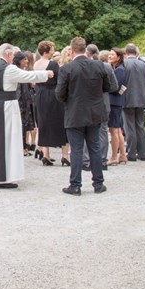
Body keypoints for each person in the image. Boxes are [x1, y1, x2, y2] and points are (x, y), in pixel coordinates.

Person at [0, 44, 52, 188]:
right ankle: (5, 176)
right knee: (9, 141)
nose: (13, 58)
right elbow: (27, 76)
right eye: (13, 55)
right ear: (8, 54)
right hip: (7, 107)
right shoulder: (9, 69)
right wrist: (47, 74)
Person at [56, 37, 113, 196]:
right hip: (95, 112)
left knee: (76, 150)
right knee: (94, 147)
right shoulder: (98, 65)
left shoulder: (67, 69)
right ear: (85, 49)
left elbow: (59, 94)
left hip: (75, 113)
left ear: (72, 50)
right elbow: (107, 87)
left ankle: (75, 184)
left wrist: (69, 100)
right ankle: (98, 183)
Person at [33, 42, 68, 166]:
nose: (53, 51)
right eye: (52, 49)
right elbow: (60, 80)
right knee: (61, 122)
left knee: (44, 122)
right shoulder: (53, 64)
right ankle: (65, 155)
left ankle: (46, 154)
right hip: (53, 95)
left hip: (40, 94)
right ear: (47, 51)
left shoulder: (36, 64)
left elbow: (34, 81)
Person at [121, 44, 145, 161]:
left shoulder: (124, 64)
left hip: (128, 99)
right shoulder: (144, 65)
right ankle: (142, 153)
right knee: (140, 126)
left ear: (126, 53)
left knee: (129, 127)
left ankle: (132, 153)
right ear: (136, 53)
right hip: (141, 99)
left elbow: (122, 83)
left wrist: (120, 94)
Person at [13, 52, 37, 156]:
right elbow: (18, 91)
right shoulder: (16, 72)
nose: (27, 61)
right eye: (24, 59)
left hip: (26, 102)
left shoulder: (23, 71)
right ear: (19, 61)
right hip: (21, 103)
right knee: (21, 126)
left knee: (24, 126)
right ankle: (21, 148)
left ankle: (24, 147)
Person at [106, 48, 128, 164]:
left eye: (112, 54)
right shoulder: (117, 69)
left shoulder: (119, 70)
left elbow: (116, 88)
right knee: (118, 130)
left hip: (114, 102)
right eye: (109, 54)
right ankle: (122, 155)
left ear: (118, 57)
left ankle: (114, 156)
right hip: (116, 101)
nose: (109, 56)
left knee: (114, 130)